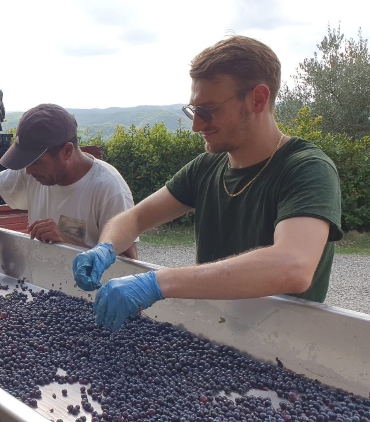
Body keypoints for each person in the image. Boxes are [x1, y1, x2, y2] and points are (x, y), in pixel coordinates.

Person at [73, 35, 343, 332]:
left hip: (287, 349)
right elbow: (135, 218)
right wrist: (105, 247)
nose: (196, 125)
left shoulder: (307, 169)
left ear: (258, 99)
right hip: (217, 336)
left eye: (208, 110)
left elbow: (292, 265)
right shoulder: (207, 166)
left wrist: (158, 281)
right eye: (193, 110)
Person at [0, 103, 138, 276]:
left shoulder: (110, 189)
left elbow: (129, 264)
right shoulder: (33, 172)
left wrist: (66, 241)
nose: (28, 171)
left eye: (36, 163)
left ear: (66, 151)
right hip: (42, 286)